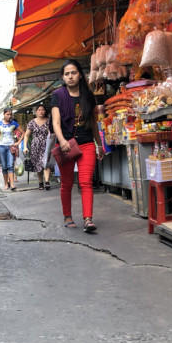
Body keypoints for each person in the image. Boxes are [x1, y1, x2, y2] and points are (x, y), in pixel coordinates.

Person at [51, 59, 104, 232]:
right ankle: (67, 216)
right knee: (66, 183)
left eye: (73, 73)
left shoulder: (88, 95)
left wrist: (99, 144)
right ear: (63, 77)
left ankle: (88, 219)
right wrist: (62, 141)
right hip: (66, 145)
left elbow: (93, 121)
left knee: (86, 182)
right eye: (67, 74)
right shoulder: (57, 95)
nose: (70, 76)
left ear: (80, 74)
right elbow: (56, 123)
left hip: (87, 143)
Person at [21, 103, 52, 190]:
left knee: (46, 163)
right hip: (35, 145)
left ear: (45, 111)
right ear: (36, 112)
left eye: (42, 110)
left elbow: (52, 133)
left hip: (46, 145)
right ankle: (40, 182)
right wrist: (25, 147)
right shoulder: (32, 122)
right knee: (37, 164)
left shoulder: (49, 121)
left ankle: (47, 181)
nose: (41, 112)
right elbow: (26, 135)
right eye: (39, 110)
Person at [0, 108, 22, 190]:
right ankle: (6, 184)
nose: (9, 116)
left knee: (10, 165)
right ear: (4, 114)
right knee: (4, 167)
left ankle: (12, 184)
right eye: (7, 114)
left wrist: (18, 142)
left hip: (10, 147)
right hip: (1, 147)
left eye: (10, 114)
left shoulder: (14, 123)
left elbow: (23, 133)